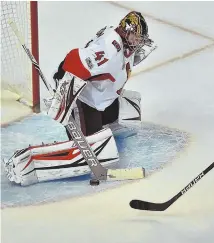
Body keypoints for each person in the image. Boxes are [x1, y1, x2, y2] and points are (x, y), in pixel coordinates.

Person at [4, 11, 157, 186]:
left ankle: (101, 127)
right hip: (85, 103)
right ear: (124, 31)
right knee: (98, 152)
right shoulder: (110, 49)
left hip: (101, 99)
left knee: (130, 109)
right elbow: (73, 61)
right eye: (135, 37)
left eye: (139, 38)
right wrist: (63, 95)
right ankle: (27, 163)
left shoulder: (120, 44)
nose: (138, 42)